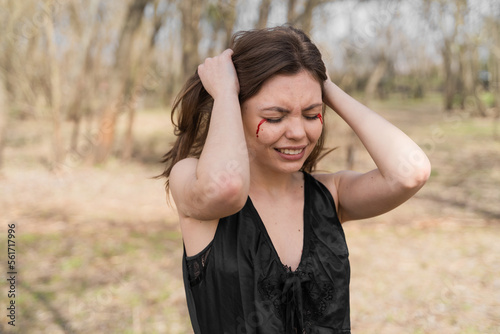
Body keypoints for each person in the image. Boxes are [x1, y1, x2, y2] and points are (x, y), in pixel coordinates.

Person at [159, 26, 430, 334]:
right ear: (235, 110)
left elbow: (411, 172)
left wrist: (323, 85)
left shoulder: (331, 194)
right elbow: (226, 187)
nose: (299, 133)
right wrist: (223, 93)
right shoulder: (192, 178)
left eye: (312, 115)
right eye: (275, 117)